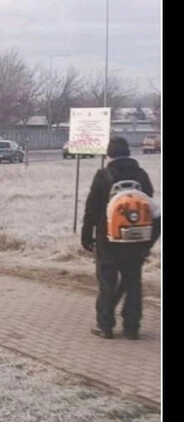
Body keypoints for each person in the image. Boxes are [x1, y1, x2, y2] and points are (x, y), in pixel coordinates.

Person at [81, 136, 160, 339]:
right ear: (128, 153)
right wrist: (148, 242)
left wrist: (86, 235)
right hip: (135, 240)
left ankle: (105, 325)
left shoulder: (103, 175)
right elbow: (150, 206)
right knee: (133, 282)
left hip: (108, 239)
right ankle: (132, 327)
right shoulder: (141, 175)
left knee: (107, 282)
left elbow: (92, 208)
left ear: (109, 154)